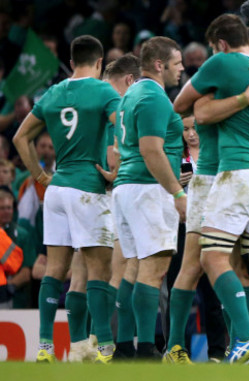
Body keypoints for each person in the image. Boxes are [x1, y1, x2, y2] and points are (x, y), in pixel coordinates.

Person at [173, 14, 249, 364]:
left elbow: (186, 108)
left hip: (231, 174)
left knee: (208, 257)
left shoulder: (224, 64)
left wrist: (233, 98)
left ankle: (246, 338)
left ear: (221, 46)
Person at [13, 35, 121, 363]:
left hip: (57, 189)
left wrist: (40, 175)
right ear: (100, 63)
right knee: (98, 270)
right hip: (88, 188)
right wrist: (116, 169)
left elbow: (20, 138)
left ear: (72, 62)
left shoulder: (53, 92)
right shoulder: (104, 91)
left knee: (55, 269)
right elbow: (123, 129)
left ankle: (45, 345)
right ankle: (104, 345)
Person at [112, 36, 186, 360]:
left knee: (133, 267)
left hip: (127, 187)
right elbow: (151, 150)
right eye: (178, 63)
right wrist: (178, 192)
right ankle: (145, 348)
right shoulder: (155, 96)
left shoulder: (129, 96)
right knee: (153, 270)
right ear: (160, 64)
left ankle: (124, 347)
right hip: (148, 188)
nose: (182, 69)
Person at [98, 53, 142, 360]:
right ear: (130, 80)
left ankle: (103, 343)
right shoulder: (121, 108)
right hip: (114, 193)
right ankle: (108, 343)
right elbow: (115, 160)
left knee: (105, 272)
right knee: (122, 270)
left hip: (98, 193)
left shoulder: (100, 108)